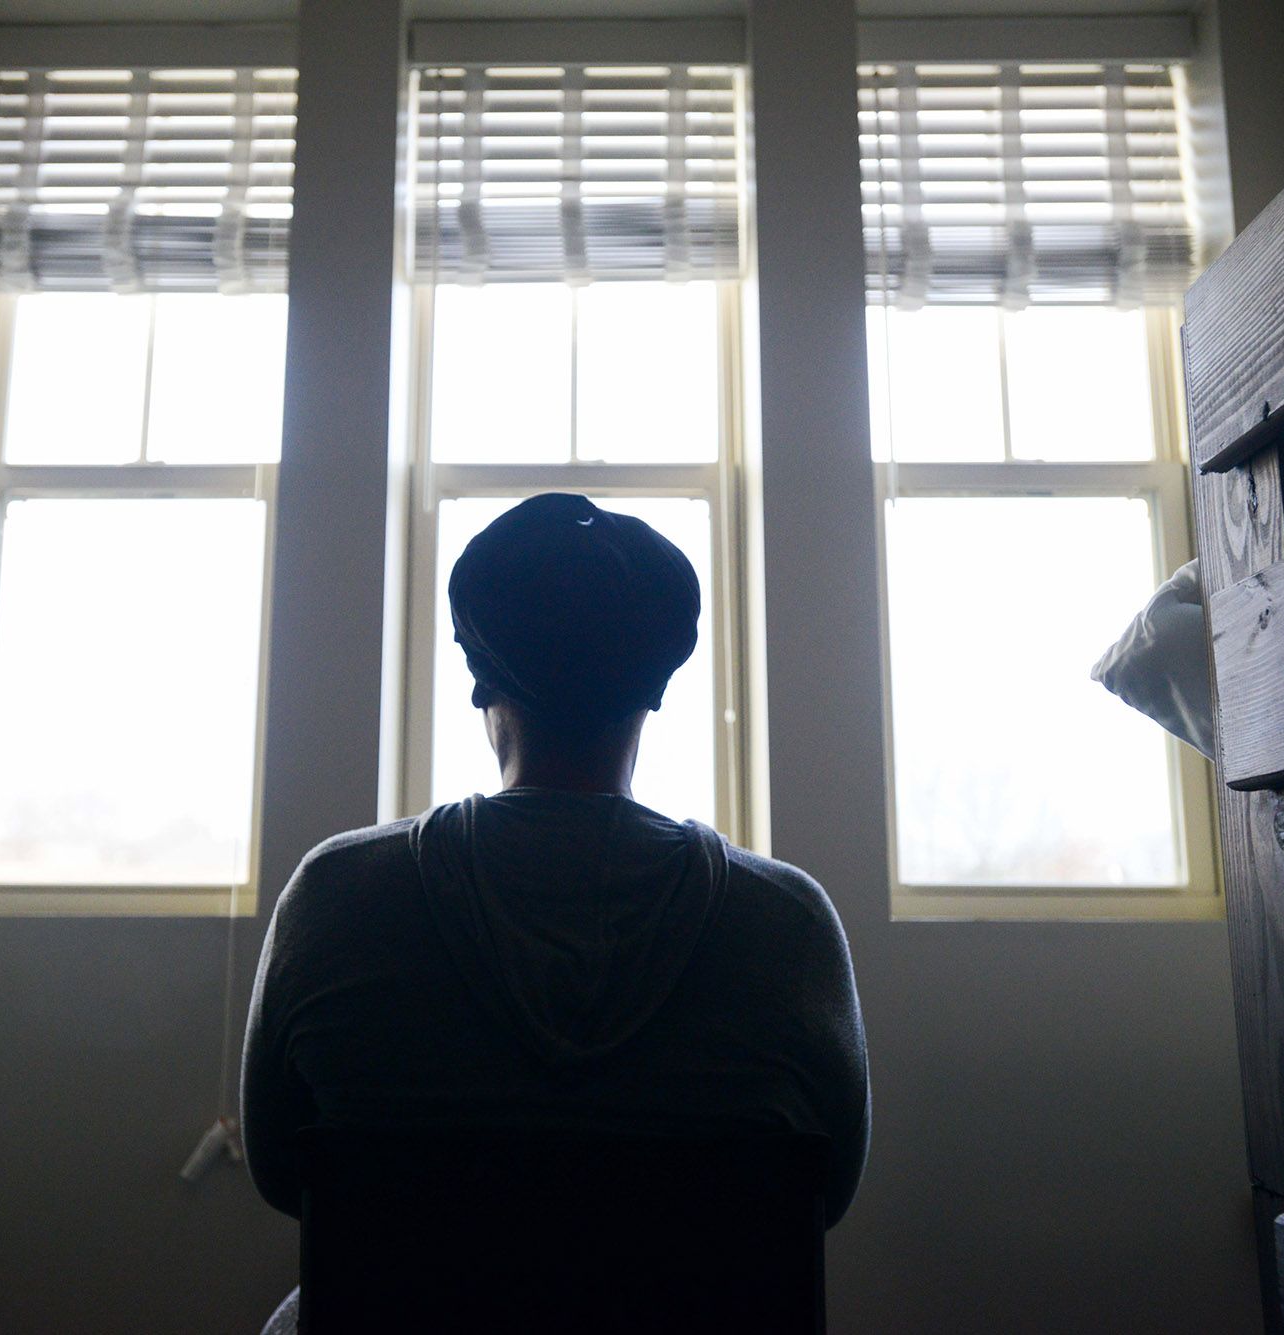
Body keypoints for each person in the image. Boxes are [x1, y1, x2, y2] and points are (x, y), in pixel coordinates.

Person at [241, 493, 870, 1332]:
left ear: (479, 679)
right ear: (657, 683)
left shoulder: (338, 895)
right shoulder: (788, 925)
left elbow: (284, 1176)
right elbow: (826, 1196)